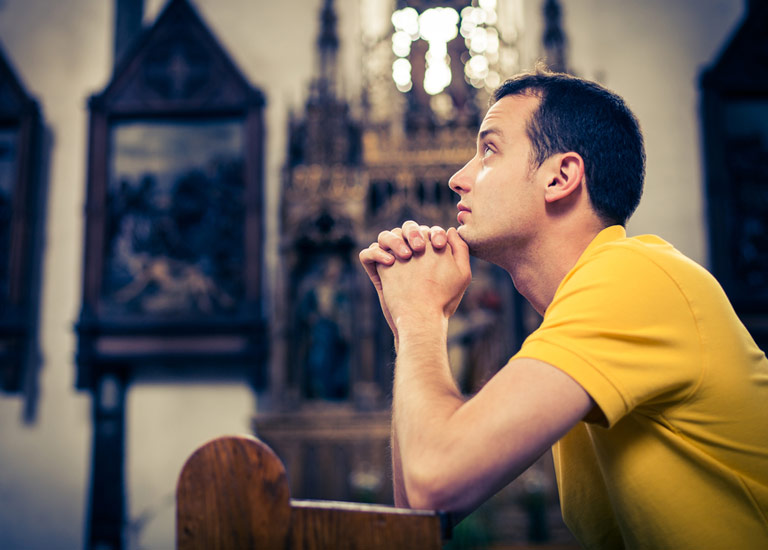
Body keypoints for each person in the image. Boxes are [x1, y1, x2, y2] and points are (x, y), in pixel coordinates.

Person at [359, 70, 768, 549]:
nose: (458, 178)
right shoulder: (576, 312)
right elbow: (420, 510)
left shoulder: (631, 275)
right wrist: (411, 323)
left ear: (561, 177)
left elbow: (435, 481)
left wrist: (421, 317)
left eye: (488, 150)